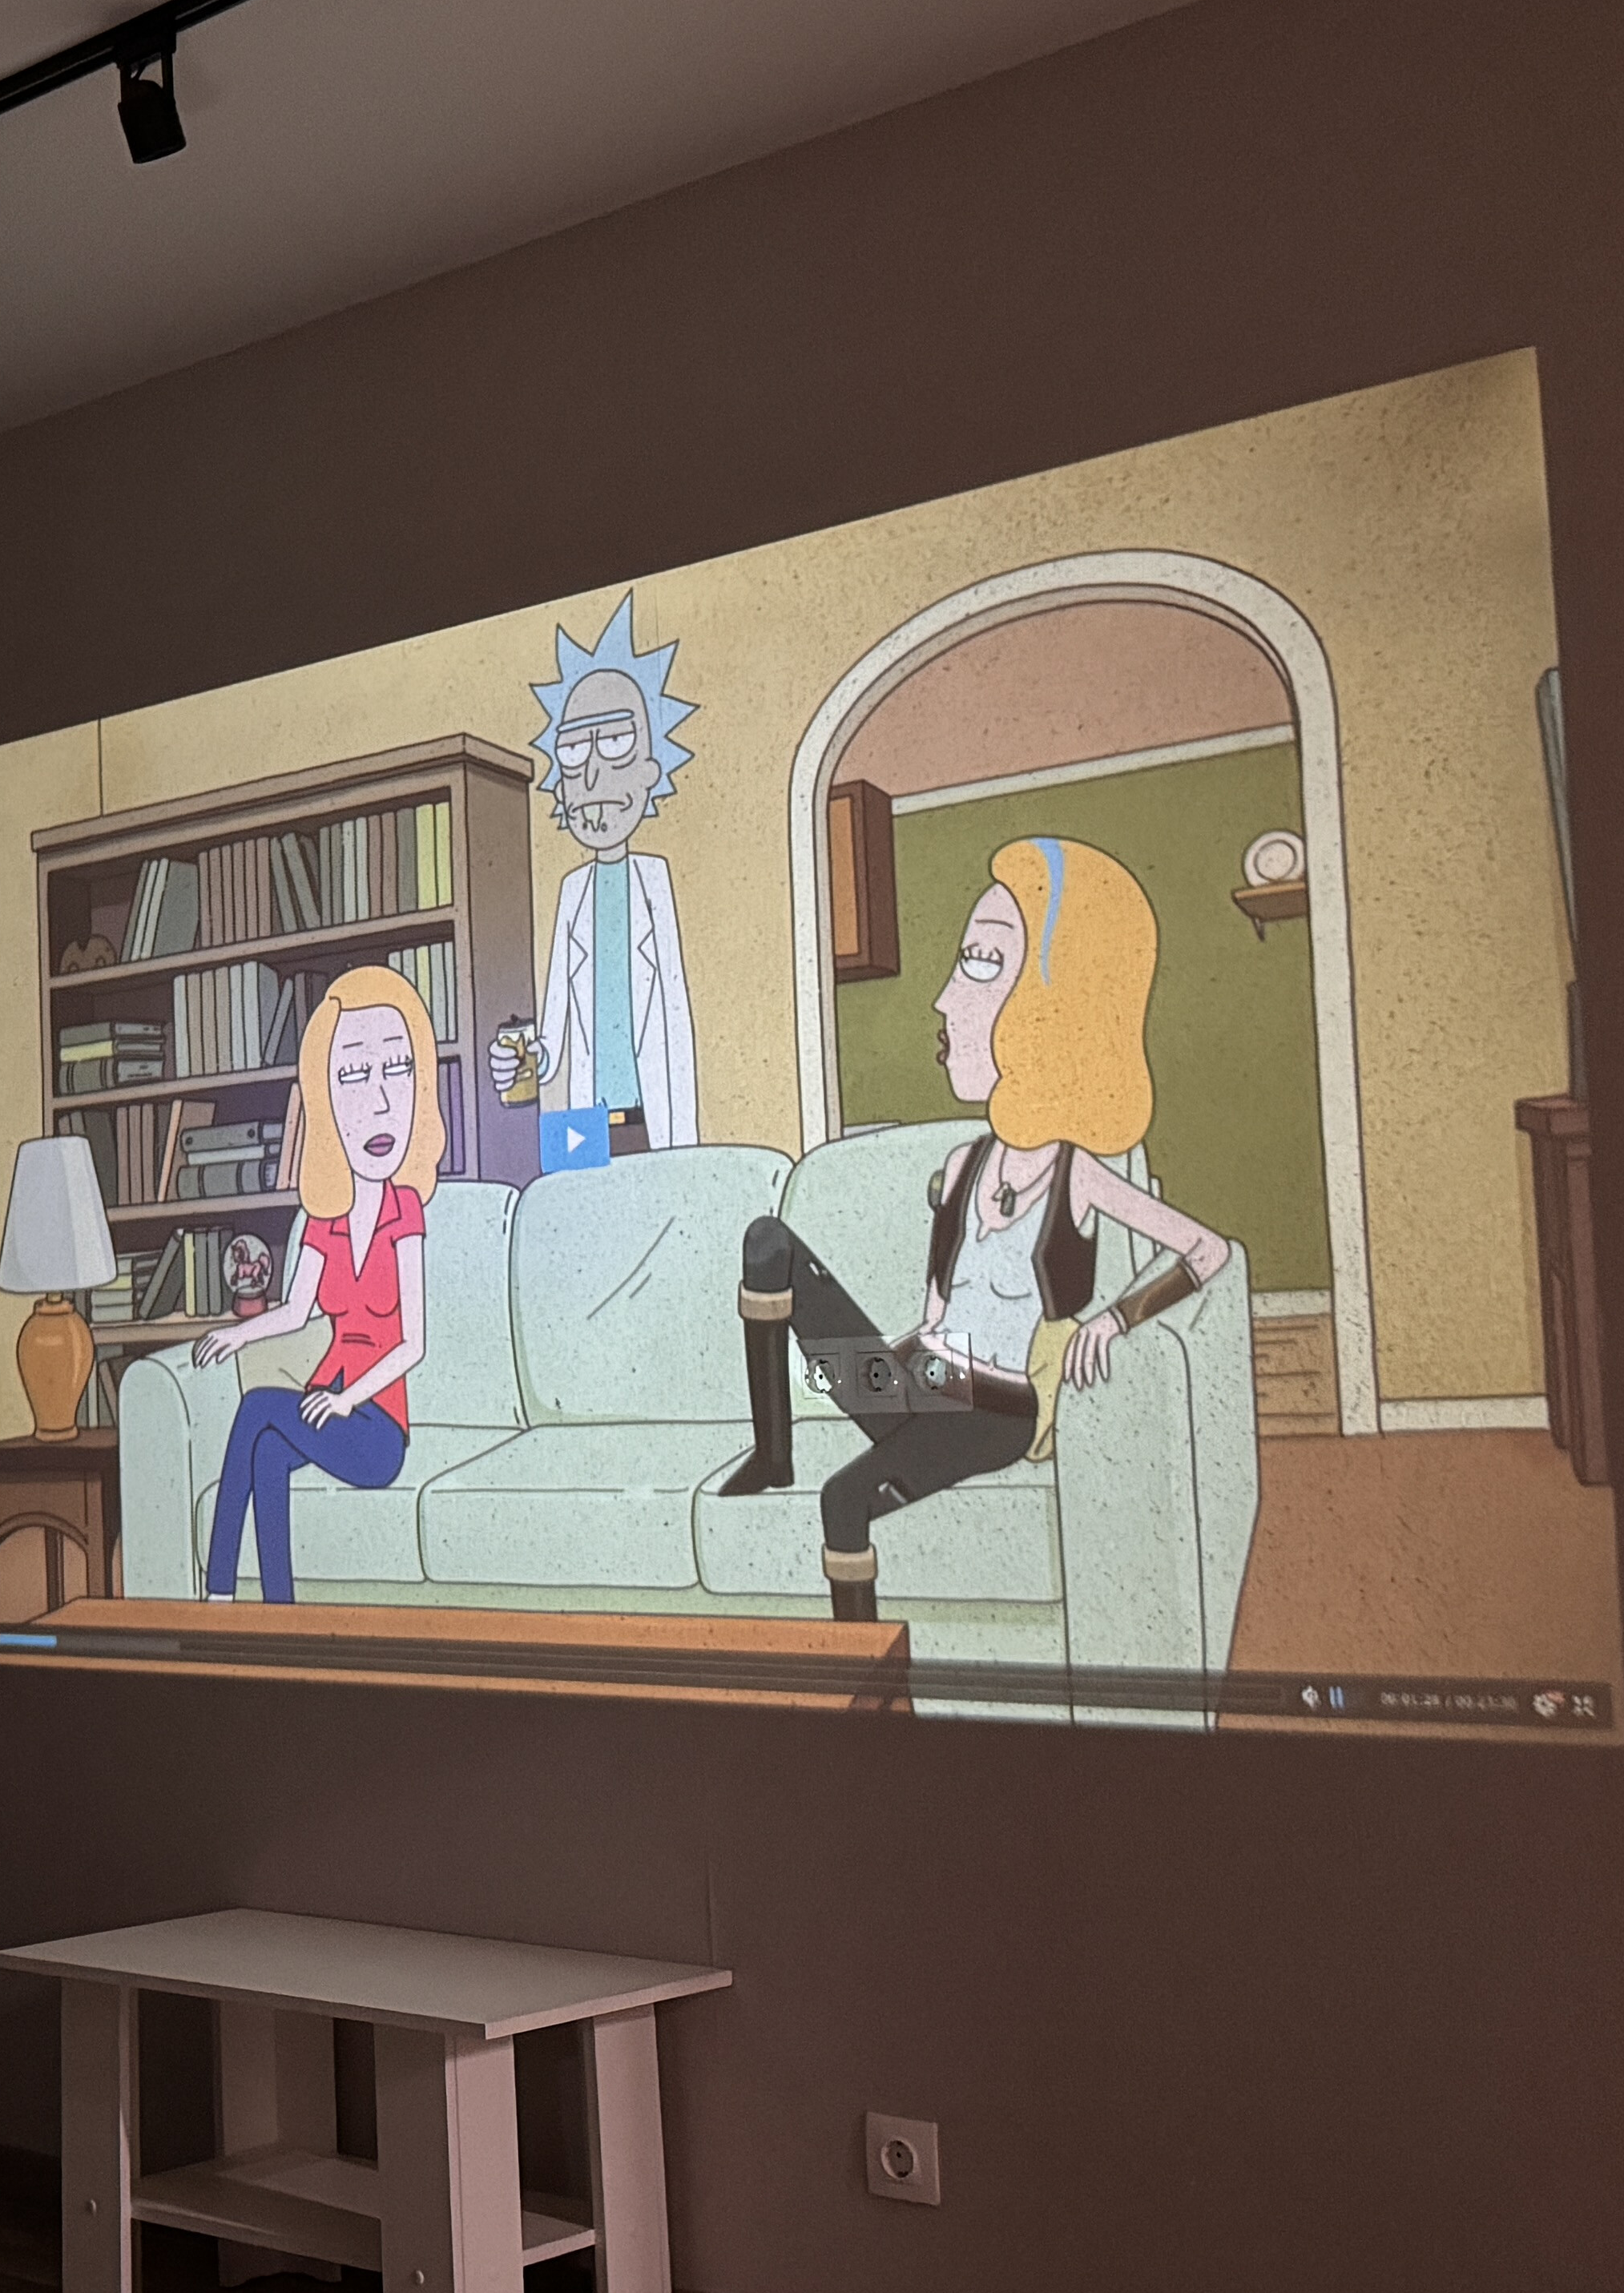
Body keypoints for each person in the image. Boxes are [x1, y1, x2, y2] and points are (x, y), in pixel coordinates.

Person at [721, 837, 1235, 1626]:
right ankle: (773, 1453)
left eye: (982, 963)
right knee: (769, 1244)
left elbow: (1209, 1249)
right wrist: (860, 1362)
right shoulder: (965, 1164)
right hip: (918, 1379)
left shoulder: (1078, 1175)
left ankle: (870, 1681)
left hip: (989, 1415)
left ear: (1055, 1003)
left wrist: (1115, 1319)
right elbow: (935, 1311)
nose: (942, 999)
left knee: (844, 1500)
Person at [196, 965, 442, 1604]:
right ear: (324, 1101)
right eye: (354, 1076)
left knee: (258, 1409)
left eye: (399, 1070)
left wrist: (345, 1400)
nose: (381, 1103)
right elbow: (296, 1311)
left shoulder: (404, 1212)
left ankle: (217, 1592)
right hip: (325, 1403)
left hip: (376, 1426)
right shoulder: (324, 1220)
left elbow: (413, 1343)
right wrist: (235, 1334)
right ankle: (279, 1611)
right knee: (268, 1453)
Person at [486, 595, 699, 1156]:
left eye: (616, 741)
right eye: (575, 750)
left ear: (650, 771)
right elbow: (555, 1032)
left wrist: (687, 1148)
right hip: (586, 1125)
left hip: (654, 1120)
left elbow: (674, 1022)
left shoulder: (653, 881)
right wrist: (521, 1060)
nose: (594, 772)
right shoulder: (573, 891)